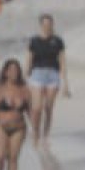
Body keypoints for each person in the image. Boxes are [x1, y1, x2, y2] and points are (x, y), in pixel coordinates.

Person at [27, 14, 69, 147]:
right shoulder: (34, 41)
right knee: (37, 107)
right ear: (41, 25)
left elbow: (62, 62)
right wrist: (25, 77)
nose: (47, 26)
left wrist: (65, 84)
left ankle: (45, 135)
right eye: (45, 24)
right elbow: (29, 60)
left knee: (48, 108)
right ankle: (35, 132)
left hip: (53, 75)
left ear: (52, 25)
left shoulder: (58, 41)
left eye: (49, 24)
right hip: (37, 73)